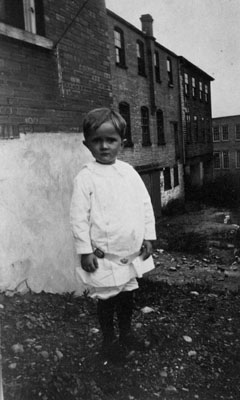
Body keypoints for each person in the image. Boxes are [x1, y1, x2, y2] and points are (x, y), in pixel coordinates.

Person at [70, 107, 156, 362]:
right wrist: (84, 251)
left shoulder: (128, 172)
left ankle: (126, 333)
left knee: (127, 293)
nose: (104, 146)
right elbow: (78, 218)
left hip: (129, 251)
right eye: (97, 140)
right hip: (103, 255)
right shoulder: (86, 178)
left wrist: (148, 237)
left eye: (111, 140)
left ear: (122, 142)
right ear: (87, 144)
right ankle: (109, 342)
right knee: (107, 298)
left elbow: (144, 204)